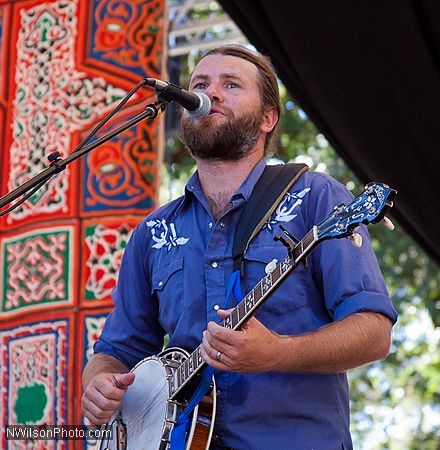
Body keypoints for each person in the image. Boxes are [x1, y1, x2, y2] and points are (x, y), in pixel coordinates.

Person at [82, 45, 397, 449]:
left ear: (268, 118)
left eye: (231, 84)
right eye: (199, 84)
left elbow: (374, 331)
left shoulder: (315, 197)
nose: (210, 93)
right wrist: (98, 383)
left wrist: (277, 352)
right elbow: (115, 351)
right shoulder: (154, 230)